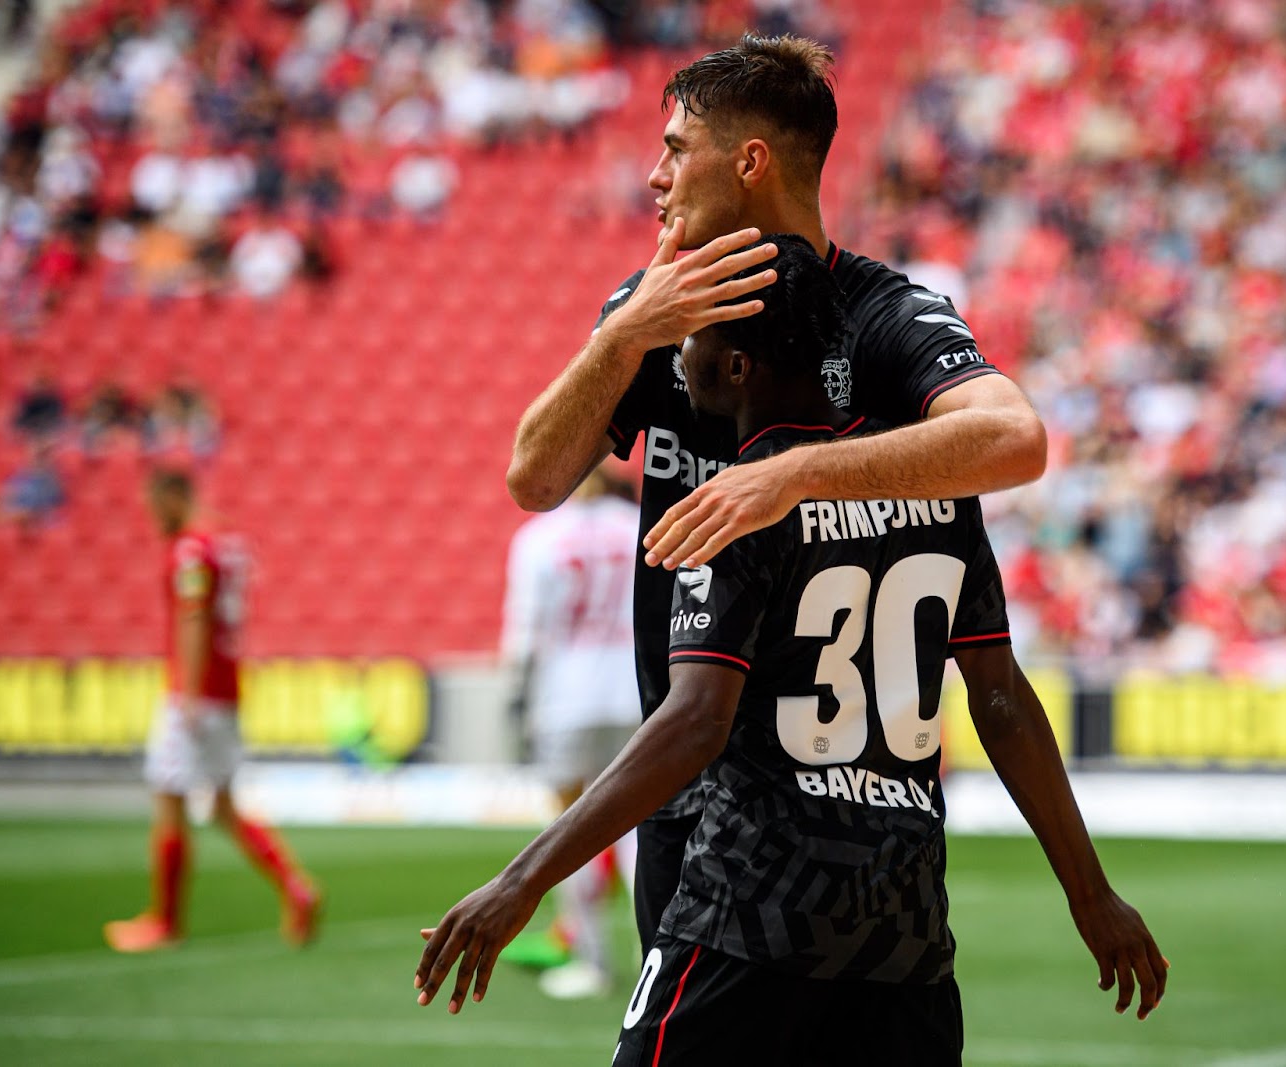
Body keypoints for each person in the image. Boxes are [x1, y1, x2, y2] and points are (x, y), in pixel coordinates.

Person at [414, 238, 1165, 1063]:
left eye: (692, 343)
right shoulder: (937, 487)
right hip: (903, 928)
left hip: (750, 908)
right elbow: (1000, 698)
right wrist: (1090, 893)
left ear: (738, 365)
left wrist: (522, 880)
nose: (680, 359)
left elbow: (696, 720)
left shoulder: (734, 501)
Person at [505, 34, 1049, 956]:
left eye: (676, 150)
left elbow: (1015, 437)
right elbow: (535, 479)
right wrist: (623, 336)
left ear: (749, 162)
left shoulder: (881, 314)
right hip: (684, 803)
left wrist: (789, 474)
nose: (653, 177)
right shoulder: (652, 313)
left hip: (842, 823)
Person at [104, 469, 321, 953]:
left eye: (155, 506)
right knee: (222, 805)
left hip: (197, 691)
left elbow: (194, 617)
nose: (152, 518)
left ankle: (166, 920)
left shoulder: (190, 550)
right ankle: (295, 885)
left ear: (173, 497)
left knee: (169, 799)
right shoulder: (224, 543)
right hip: (228, 690)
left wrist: (187, 691)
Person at [496, 462, 642, 1000]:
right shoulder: (636, 525)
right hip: (632, 689)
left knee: (566, 828)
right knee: (637, 828)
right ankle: (654, 948)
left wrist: (517, 700)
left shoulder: (539, 537)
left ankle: (591, 959)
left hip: (565, 697)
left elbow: (525, 629)